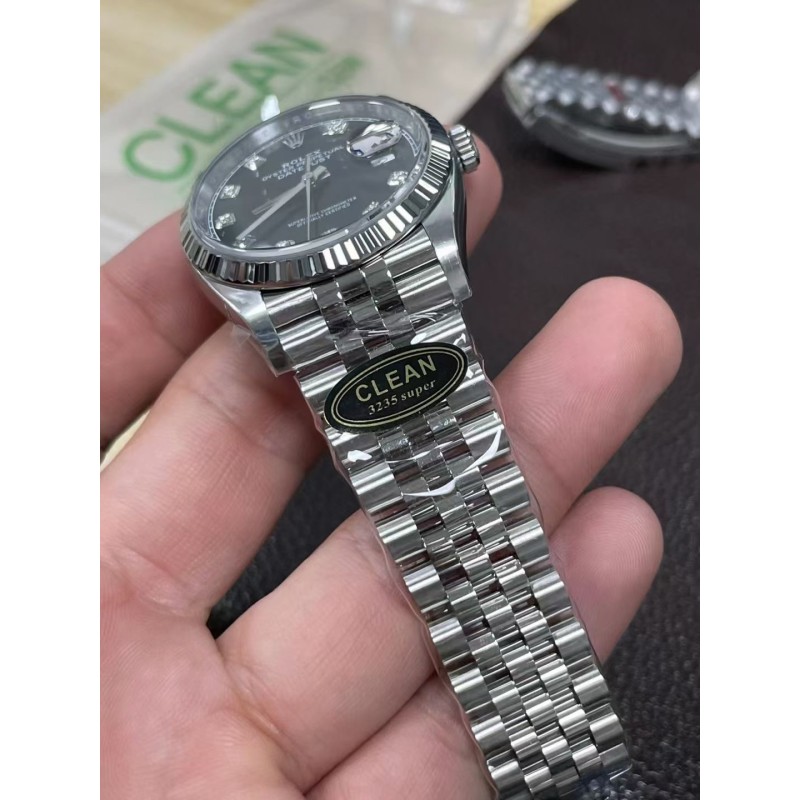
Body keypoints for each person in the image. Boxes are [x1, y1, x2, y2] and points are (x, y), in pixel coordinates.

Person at [100, 141, 682, 799]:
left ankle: (560, 748)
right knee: (451, 552)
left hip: (394, 293)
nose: (313, 180)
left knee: (500, 534)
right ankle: (554, 757)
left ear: (443, 155)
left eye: (326, 167)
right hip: (311, 321)